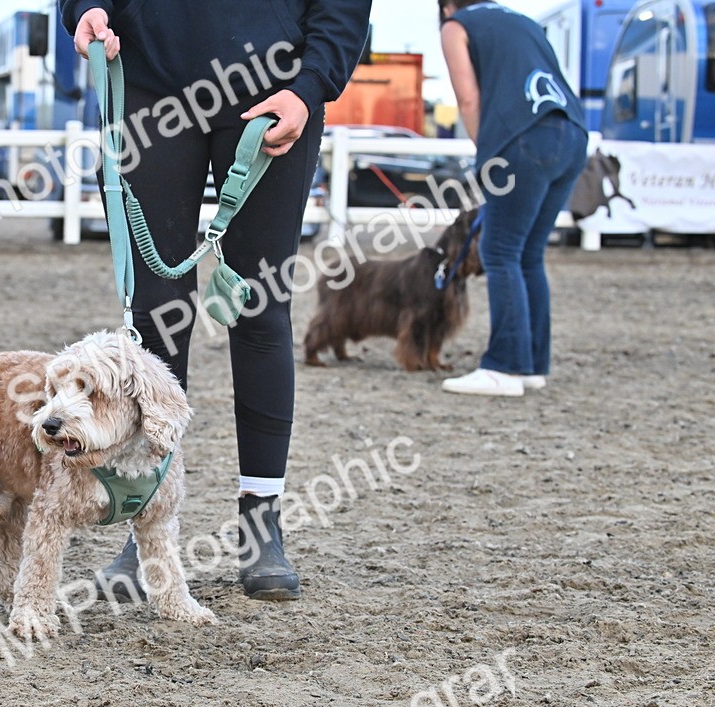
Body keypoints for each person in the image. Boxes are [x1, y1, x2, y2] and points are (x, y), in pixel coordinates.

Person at [61, 1, 372, 601]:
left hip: (271, 88)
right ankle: (145, 520)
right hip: (148, 85)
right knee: (153, 314)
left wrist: (310, 87)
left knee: (259, 307)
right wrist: (84, 8)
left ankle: (261, 522)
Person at [437, 0, 588, 397]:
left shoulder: (457, 26)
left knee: (500, 251)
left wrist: (487, 153)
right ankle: (532, 366)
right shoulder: (524, 22)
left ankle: (504, 368)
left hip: (522, 139)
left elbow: (468, 100)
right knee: (528, 254)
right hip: (571, 135)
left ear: (447, 6)